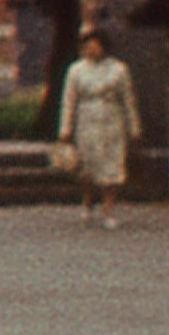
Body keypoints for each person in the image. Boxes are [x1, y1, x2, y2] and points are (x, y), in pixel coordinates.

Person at [58, 26, 138, 229]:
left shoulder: (119, 69)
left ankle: (108, 210)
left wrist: (133, 126)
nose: (91, 50)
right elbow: (69, 100)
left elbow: (128, 100)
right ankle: (87, 202)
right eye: (87, 47)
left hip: (112, 120)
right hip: (87, 120)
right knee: (87, 167)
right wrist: (65, 128)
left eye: (95, 46)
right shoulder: (76, 70)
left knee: (112, 165)